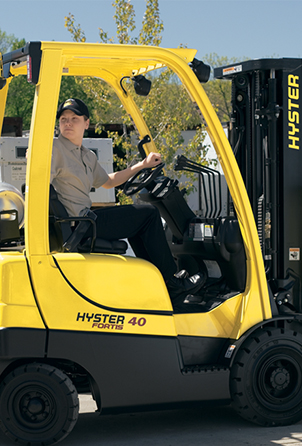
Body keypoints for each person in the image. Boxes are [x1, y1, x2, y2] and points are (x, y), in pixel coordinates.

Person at [51, 98, 203, 299]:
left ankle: (157, 282)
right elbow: (38, 177)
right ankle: (170, 281)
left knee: (139, 222)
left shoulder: (87, 155)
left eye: (74, 119)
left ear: (86, 123)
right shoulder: (52, 149)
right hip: (77, 225)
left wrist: (142, 165)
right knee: (148, 214)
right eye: (63, 119)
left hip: (86, 220)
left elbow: (108, 181)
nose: (68, 123)